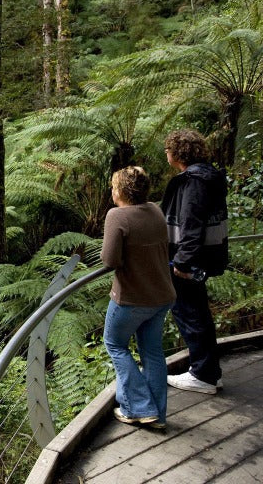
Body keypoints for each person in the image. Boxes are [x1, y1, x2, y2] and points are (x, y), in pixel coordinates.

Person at [101, 166, 176, 429]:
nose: (111, 191)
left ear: (121, 190)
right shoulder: (154, 209)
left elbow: (109, 260)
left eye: (113, 186)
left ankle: (138, 408)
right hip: (162, 294)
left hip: (132, 299)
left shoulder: (117, 216)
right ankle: (157, 415)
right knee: (153, 352)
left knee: (115, 344)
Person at [162, 129, 229, 395]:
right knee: (198, 312)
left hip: (189, 260)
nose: (166, 154)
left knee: (190, 314)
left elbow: (191, 224)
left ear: (178, 153)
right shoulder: (208, 176)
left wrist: (182, 261)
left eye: (168, 150)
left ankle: (203, 374)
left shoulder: (193, 182)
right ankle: (210, 372)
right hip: (204, 255)